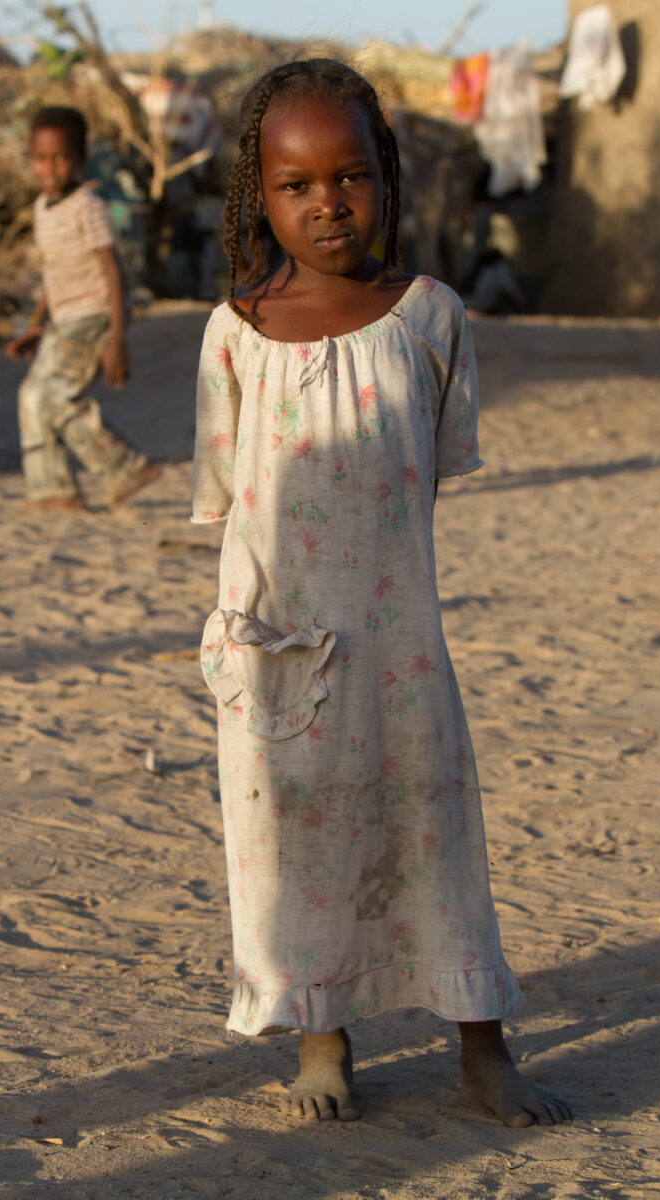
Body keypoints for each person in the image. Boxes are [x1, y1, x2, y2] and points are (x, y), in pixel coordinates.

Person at [192, 59, 571, 1128]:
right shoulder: (234, 333)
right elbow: (227, 496)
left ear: (386, 177)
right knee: (298, 846)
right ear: (260, 196)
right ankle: (323, 1041)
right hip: (279, 646)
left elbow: (428, 473)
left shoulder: (430, 317)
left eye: (350, 175)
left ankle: (482, 1051)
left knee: (433, 831)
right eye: (296, 184)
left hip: (400, 644)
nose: (328, 203)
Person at [5, 105, 159, 510]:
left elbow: (113, 272)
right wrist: (36, 323)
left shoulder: (88, 206)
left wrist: (118, 339)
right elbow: (53, 274)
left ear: (80, 159)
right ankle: (53, 491)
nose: (50, 167)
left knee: (57, 398)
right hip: (63, 320)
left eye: (61, 157)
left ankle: (125, 468)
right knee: (31, 396)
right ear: (30, 158)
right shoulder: (42, 208)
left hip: (94, 316)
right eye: (40, 157)